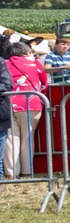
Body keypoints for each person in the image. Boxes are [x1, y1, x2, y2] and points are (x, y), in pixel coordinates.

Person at [4, 40, 47, 179]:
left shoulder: (4, 64)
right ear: (25, 52)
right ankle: (27, 172)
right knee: (27, 138)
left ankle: (11, 173)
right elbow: (44, 82)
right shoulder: (33, 62)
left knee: (10, 139)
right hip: (31, 103)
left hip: (8, 104)